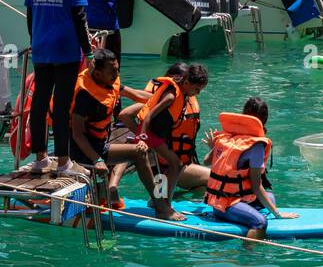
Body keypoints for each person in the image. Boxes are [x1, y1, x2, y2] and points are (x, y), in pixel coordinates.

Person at [24, 0, 91, 176]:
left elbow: (30, 11)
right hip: (66, 48)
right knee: (62, 107)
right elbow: (79, 13)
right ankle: (64, 162)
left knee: (39, 104)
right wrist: (90, 51)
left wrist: (35, 38)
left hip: (41, 46)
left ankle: (41, 158)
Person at [68, 48, 154, 206]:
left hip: (101, 145)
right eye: (112, 71)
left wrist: (164, 100)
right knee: (138, 153)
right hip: (82, 151)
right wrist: (97, 159)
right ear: (98, 73)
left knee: (140, 152)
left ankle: (158, 203)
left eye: (117, 69)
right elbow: (77, 134)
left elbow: (137, 95)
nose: (116, 74)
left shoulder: (109, 81)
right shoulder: (84, 95)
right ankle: (159, 205)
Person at [204, 98, 296, 239]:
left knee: (270, 197)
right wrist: (277, 214)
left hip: (218, 200)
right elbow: (256, 185)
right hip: (226, 206)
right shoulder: (256, 146)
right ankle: (247, 257)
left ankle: (244, 212)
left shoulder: (228, 136)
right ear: (264, 121)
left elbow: (206, 161)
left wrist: (215, 149)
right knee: (260, 222)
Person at [132, 63, 209, 220]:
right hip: (149, 135)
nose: (198, 94)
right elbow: (148, 117)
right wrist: (142, 139)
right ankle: (165, 206)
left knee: (175, 165)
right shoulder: (171, 96)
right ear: (186, 83)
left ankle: (161, 201)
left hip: (156, 136)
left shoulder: (182, 93)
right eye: (197, 90)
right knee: (176, 164)